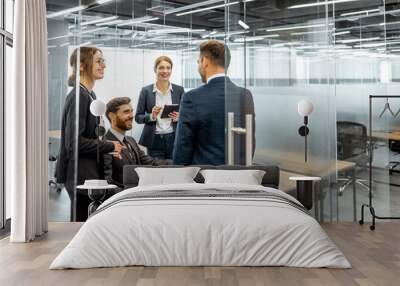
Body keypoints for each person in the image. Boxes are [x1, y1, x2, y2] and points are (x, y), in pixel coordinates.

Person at [56, 47, 123, 222]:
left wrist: (107, 148)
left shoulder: (89, 94)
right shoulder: (80, 96)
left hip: (88, 172)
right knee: (80, 226)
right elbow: (74, 143)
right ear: (82, 66)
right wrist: (109, 145)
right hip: (80, 175)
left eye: (104, 61)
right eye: (98, 61)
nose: (103, 65)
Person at [173, 40, 255, 165]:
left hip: (204, 179)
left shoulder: (191, 97)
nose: (199, 66)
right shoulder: (245, 95)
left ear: (205, 61)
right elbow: (250, 142)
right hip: (238, 175)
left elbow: (183, 146)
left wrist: (179, 177)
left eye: (199, 62)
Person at [103, 97, 164, 189]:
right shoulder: (105, 143)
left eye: (132, 111)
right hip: (121, 198)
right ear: (112, 116)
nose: (131, 116)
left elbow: (151, 163)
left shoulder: (131, 141)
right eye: (126, 112)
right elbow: (107, 182)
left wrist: (180, 163)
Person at [135, 56, 185, 160]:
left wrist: (180, 117)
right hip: (154, 140)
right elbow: (138, 117)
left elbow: (187, 114)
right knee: (157, 171)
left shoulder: (179, 90)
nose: (165, 71)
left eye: (168, 68)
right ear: (155, 69)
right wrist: (151, 116)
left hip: (174, 138)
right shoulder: (146, 91)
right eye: (161, 68)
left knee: (174, 169)